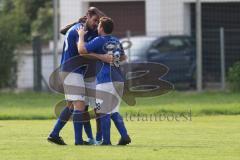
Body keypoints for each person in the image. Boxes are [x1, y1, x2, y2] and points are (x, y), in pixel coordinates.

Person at [47, 7, 111, 145]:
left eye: (97, 21)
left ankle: (54, 134)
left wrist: (98, 13)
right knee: (79, 105)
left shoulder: (90, 29)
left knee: (72, 105)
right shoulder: (79, 30)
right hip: (71, 70)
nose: (96, 24)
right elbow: (82, 52)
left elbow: (106, 23)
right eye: (94, 20)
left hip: (78, 71)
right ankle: (78, 141)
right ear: (87, 16)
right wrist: (103, 57)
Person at [77, 17, 131, 145]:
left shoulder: (99, 40)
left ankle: (106, 141)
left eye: (99, 25)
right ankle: (124, 136)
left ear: (101, 28)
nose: (97, 27)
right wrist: (113, 58)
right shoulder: (116, 40)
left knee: (103, 112)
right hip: (118, 79)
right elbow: (124, 56)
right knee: (114, 111)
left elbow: (82, 50)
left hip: (105, 80)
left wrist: (80, 36)